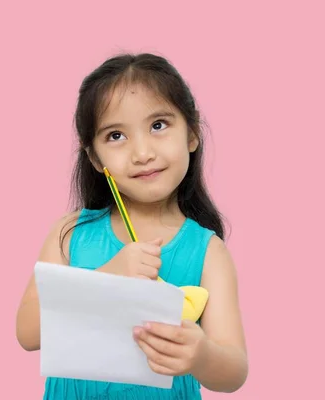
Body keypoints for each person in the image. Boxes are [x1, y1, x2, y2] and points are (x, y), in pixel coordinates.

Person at [16, 52, 248, 399]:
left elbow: (234, 371)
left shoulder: (208, 251)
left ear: (192, 134)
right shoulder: (70, 234)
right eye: (115, 136)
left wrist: (201, 355)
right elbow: (29, 333)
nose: (141, 153)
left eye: (158, 125)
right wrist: (106, 278)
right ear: (95, 157)